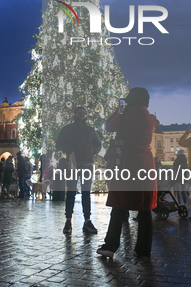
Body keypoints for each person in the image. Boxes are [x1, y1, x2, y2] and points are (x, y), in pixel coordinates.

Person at [96, 87, 157, 259]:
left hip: (125, 164)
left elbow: (108, 126)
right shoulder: (150, 118)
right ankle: (143, 249)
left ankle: (111, 245)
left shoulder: (125, 116)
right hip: (145, 165)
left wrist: (119, 108)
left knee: (119, 206)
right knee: (144, 210)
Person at [56, 106, 102, 234]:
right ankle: (68, 220)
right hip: (73, 163)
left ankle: (87, 220)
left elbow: (98, 144)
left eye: (83, 113)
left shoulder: (90, 130)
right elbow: (58, 143)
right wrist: (70, 150)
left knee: (86, 192)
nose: (82, 114)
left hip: (87, 163)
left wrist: (93, 150)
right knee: (71, 192)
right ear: (75, 114)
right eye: (79, 112)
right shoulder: (68, 129)